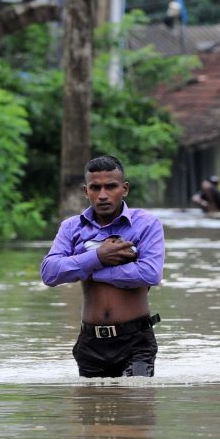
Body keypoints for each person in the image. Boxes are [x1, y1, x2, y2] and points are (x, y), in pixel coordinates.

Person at [40, 155, 165, 378]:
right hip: (90, 343)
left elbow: (150, 273)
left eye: (111, 186)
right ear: (86, 191)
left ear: (124, 189)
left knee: (135, 406)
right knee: (90, 410)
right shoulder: (71, 227)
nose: (103, 195)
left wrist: (91, 270)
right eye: (95, 188)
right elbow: (50, 273)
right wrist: (98, 256)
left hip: (135, 341)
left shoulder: (146, 224)